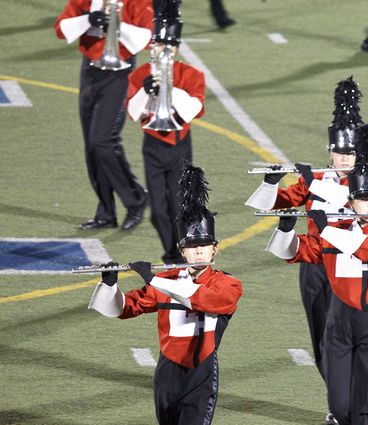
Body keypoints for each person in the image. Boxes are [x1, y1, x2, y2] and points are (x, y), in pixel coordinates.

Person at [266, 123, 368, 425]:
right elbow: (290, 252)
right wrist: (285, 228)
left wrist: (327, 228)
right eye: (363, 200)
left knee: (366, 410)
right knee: (341, 409)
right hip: (339, 328)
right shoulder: (337, 233)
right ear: (351, 201)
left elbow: (363, 247)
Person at [245, 76, 364, 424]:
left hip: (351, 265)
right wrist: (271, 183)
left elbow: (353, 206)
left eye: (350, 153)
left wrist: (313, 183)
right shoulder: (317, 179)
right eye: (338, 152)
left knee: (348, 341)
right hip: (314, 262)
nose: (343, 159)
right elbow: (277, 205)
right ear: (329, 151)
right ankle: (342, 407)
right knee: (321, 341)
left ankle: (351, 407)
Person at [88, 163, 242, 425]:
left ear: (215, 249)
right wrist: (110, 285)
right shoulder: (165, 282)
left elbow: (204, 299)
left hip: (201, 371)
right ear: (182, 252)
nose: (199, 252)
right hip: (167, 371)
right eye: (192, 247)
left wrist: (154, 278)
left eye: (205, 246)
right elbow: (122, 309)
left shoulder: (227, 284)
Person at [54, 0, 152, 230]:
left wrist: (117, 24)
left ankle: (136, 197)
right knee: (91, 146)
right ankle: (106, 212)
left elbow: (147, 37)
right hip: (89, 71)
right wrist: (88, 19)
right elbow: (61, 28)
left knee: (102, 141)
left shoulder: (137, 2)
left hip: (119, 74)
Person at [127, 0, 206, 264]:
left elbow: (194, 108)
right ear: (153, 46)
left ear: (178, 47)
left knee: (177, 206)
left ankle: (182, 253)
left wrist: (170, 87)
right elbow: (133, 112)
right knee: (158, 212)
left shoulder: (191, 75)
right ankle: (171, 252)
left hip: (179, 147)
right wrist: (145, 92)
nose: (165, 51)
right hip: (152, 147)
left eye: (170, 46)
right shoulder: (140, 75)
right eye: (160, 45)